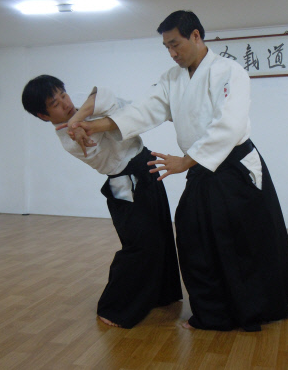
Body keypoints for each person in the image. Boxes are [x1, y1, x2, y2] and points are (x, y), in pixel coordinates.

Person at [69, 11, 288, 331]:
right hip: (201, 168)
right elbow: (143, 112)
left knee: (255, 235)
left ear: (195, 36)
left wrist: (185, 161)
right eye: (166, 47)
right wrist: (93, 126)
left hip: (235, 166)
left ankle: (283, 298)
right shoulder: (172, 79)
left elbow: (230, 125)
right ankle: (213, 312)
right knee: (194, 237)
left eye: (175, 44)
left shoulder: (229, 71)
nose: (171, 53)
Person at [21, 75, 182, 328]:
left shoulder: (78, 112)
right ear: (43, 115)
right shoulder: (70, 140)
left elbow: (104, 94)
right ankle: (114, 307)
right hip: (125, 181)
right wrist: (79, 125)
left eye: (63, 95)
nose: (65, 103)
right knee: (139, 244)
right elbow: (110, 128)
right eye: (55, 104)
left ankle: (161, 294)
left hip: (145, 164)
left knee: (160, 233)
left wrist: (76, 119)